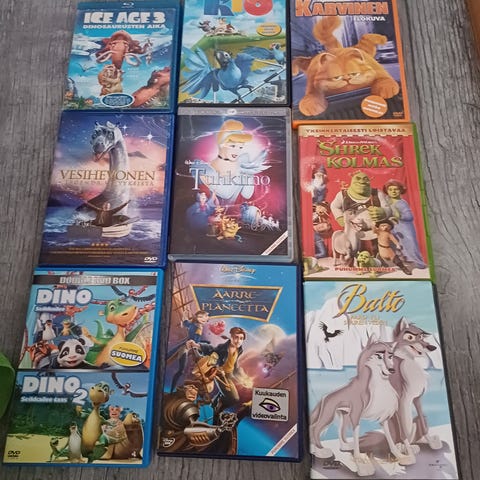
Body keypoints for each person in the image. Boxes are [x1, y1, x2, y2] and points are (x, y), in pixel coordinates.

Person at [187, 326, 251, 413]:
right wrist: (197, 345)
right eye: (236, 337)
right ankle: (219, 406)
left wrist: (243, 378)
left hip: (229, 374)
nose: (238, 341)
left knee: (232, 393)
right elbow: (211, 350)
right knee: (234, 398)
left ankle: (215, 402)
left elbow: (234, 365)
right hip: (220, 375)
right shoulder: (223, 348)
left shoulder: (239, 350)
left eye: (241, 338)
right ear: (231, 337)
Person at [330, 171, 391, 254]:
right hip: (352, 234)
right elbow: (334, 206)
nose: (362, 181)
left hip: (374, 233)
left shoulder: (377, 193)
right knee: (354, 251)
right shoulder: (342, 195)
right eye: (358, 179)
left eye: (365, 179)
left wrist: (383, 212)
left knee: (377, 252)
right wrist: (340, 218)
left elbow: (388, 208)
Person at [383, 179, 426, 269]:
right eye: (390, 189)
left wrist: (398, 216)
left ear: (401, 190)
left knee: (410, 246)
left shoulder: (402, 203)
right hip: (394, 229)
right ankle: (402, 263)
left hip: (405, 229)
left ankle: (418, 264)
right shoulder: (387, 201)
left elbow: (409, 217)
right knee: (396, 246)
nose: (393, 191)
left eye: (396, 189)